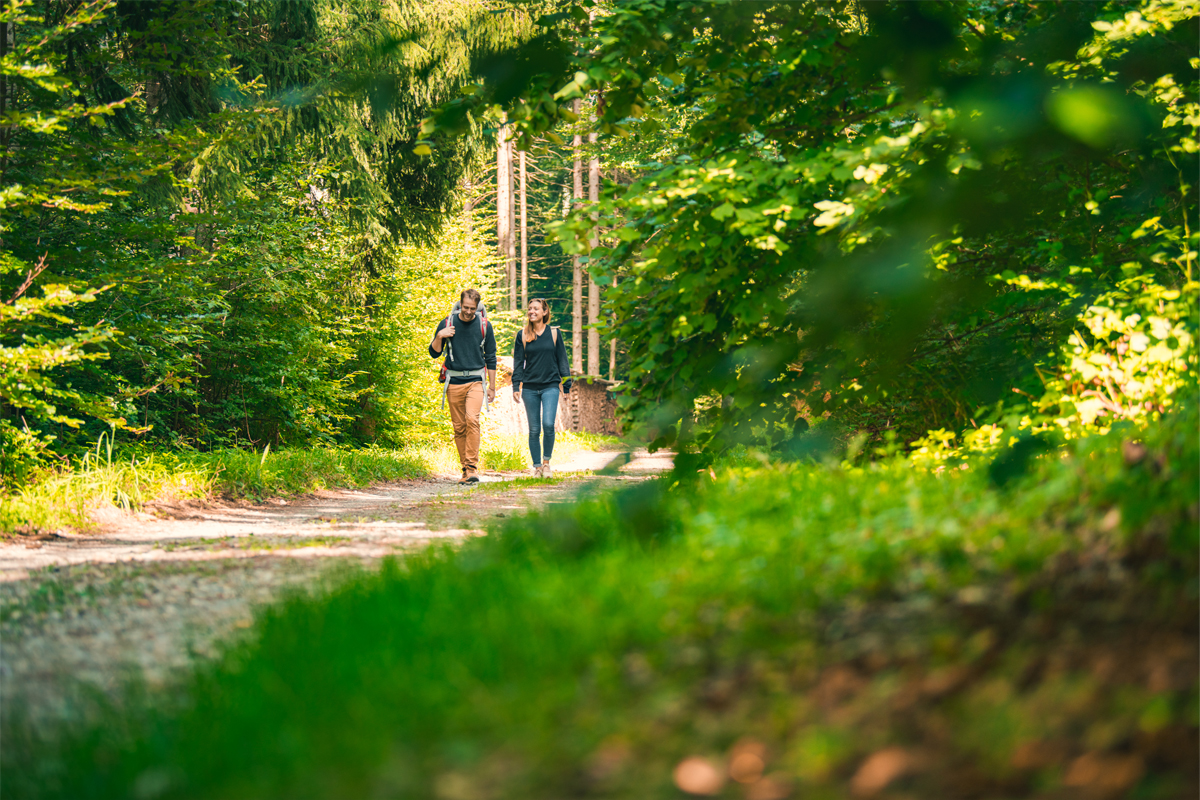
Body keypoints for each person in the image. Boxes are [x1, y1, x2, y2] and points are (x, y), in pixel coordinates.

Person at [430, 289, 497, 484]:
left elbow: (491, 357)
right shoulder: (447, 323)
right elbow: (434, 353)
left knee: (472, 419)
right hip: (454, 382)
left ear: (478, 308)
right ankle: (465, 470)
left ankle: (472, 468)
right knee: (459, 428)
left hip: (476, 380)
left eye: (472, 309)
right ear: (460, 305)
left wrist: (492, 387)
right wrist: (440, 336)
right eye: (466, 308)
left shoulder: (484, 326)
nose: (468, 312)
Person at [512, 298, 572, 477]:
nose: (532, 312)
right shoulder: (522, 335)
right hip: (529, 388)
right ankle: (537, 467)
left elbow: (563, 360)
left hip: (550, 386)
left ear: (544, 312)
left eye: (536, 309)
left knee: (548, 425)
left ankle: (546, 463)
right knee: (534, 429)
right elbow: (518, 362)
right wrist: (516, 385)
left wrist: (566, 386)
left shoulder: (554, 333)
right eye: (530, 309)